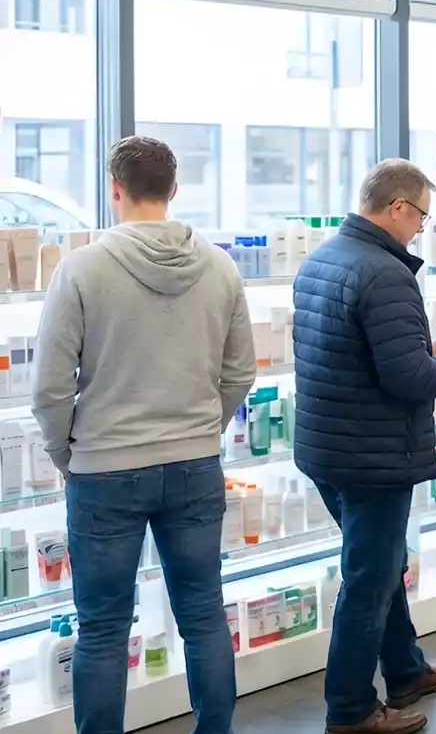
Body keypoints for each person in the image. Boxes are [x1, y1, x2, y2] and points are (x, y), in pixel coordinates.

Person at [33, 136, 256, 734]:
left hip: (103, 468)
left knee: (103, 627)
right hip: (193, 465)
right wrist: (201, 428)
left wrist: (66, 454)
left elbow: (50, 386)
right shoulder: (220, 265)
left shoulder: (82, 267)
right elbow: (240, 372)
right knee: (205, 615)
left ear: (115, 189)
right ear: (174, 191)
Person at [293, 160, 436, 734]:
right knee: (368, 582)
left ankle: (406, 669)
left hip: (328, 447)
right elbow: (410, 381)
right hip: (373, 454)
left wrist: (420, 345)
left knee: (381, 567)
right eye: (420, 215)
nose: (421, 227)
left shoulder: (323, 258)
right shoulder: (386, 272)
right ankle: (351, 709)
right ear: (397, 207)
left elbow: (356, 351)